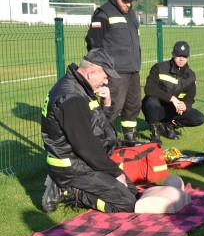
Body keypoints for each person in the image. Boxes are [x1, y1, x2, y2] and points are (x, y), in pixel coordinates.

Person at [41, 49, 138, 213]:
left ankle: (68, 186)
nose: (106, 81)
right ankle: (68, 191)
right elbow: (86, 146)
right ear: (92, 72)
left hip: (85, 161)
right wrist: (114, 172)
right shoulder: (71, 97)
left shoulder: (80, 87)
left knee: (132, 191)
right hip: (73, 168)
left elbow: (95, 126)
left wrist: (106, 104)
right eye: (105, 75)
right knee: (127, 204)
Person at [86, 0, 142, 144]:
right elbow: (93, 44)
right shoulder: (103, 13)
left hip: (132, 68)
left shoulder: (131, 13)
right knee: (112, 106)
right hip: (114, 70)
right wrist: (101, 70)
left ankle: (129, 136)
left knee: (133, 105)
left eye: (131, 0)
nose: (128, 4)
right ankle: (100, 138)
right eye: (125, 0)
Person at [142, 41, 204, 142]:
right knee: (152, 101)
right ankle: (155, 134)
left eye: (184, 56)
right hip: (157, 109)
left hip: (173, 110)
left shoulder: (191, 75)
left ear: (188, 57)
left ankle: (170, 125)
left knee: (199, 118)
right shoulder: (159, 68)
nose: (181, 59)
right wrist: (171, 98)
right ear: (173, 54)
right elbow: (149, 89)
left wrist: (185, 105)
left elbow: (190, 96)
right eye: (178, 55)